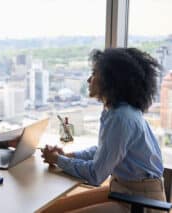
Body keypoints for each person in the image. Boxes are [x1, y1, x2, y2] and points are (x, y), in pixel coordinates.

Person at [41, 48, 165, 213]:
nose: (88, 79)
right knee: (51, 209)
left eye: (94, 74)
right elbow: (104, 151)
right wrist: (68, 156)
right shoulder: (115, 111)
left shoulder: (121, 117)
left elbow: (96, 175)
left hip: (141, 201)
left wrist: (58, 160)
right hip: (124, 190)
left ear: (111, 80)